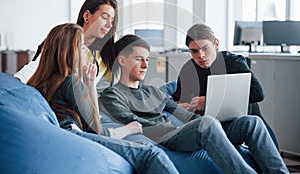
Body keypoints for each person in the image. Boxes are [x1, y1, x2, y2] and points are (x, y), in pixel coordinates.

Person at [101, 34, 289, 174]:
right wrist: (198, 123)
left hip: (183, 131)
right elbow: (133, 122)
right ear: (122, 60)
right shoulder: (112, 94)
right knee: (206, 124)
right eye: (138, 59)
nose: (145, 65)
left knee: (251, 122)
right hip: (164, 137)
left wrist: (202, 117)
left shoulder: (153, 91)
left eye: (147, 59)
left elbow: (183, 113)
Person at [27, 23, 179, 174]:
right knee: (151, 154)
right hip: (73, 135)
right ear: (70, 51)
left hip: (65, 134)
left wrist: (90, 82)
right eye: (82, 46)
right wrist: (127, 129)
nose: (86, 51)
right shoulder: (70, 82)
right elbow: (96, 129)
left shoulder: (43, 80)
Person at [171, 23, 279, 149]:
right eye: (194, 51)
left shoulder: (233, 62)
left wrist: (209, 101)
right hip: (214, 129)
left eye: (205, 48)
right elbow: (177, 101)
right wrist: (183, 107)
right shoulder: (188, 69)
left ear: (216, 44)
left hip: (243, 125)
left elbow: (258, 93)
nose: (200, 55)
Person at [15, 0, 117, 95]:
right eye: (104, 17)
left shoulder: (107, 55)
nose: (109, 25)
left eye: (112, 20)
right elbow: (35, 69)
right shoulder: (61, 40)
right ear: (86, 16)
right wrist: (17, 83)